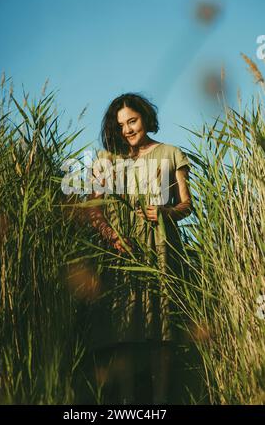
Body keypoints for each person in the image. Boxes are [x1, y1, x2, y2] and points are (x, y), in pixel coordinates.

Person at [86, 93, 192, 404]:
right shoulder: (108, 161)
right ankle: (126, 403)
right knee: (123, 334)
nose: (128, 130)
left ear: (144, 117)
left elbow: (187, 204)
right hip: (122, 253)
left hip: (161, 248)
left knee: (161, 334)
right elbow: (93, 209)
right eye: (120, 125)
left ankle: (160, 401)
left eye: (132, 121)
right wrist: (113, 238)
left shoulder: (171, 153)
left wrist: (166, 213)